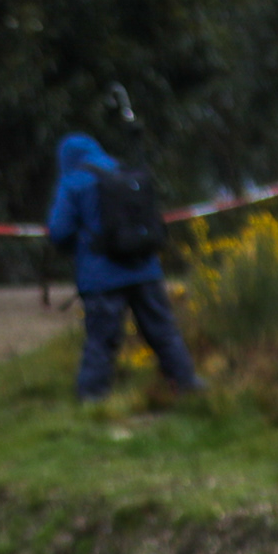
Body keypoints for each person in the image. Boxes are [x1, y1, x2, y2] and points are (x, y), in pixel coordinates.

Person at [47, 133, 202, 404]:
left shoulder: (74, 182)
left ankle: (92, 398)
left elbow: (59, 231)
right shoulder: (126, 172)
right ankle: (187, 384)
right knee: (163, 331)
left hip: (102, 276)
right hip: (145, 268)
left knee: (102, 340)